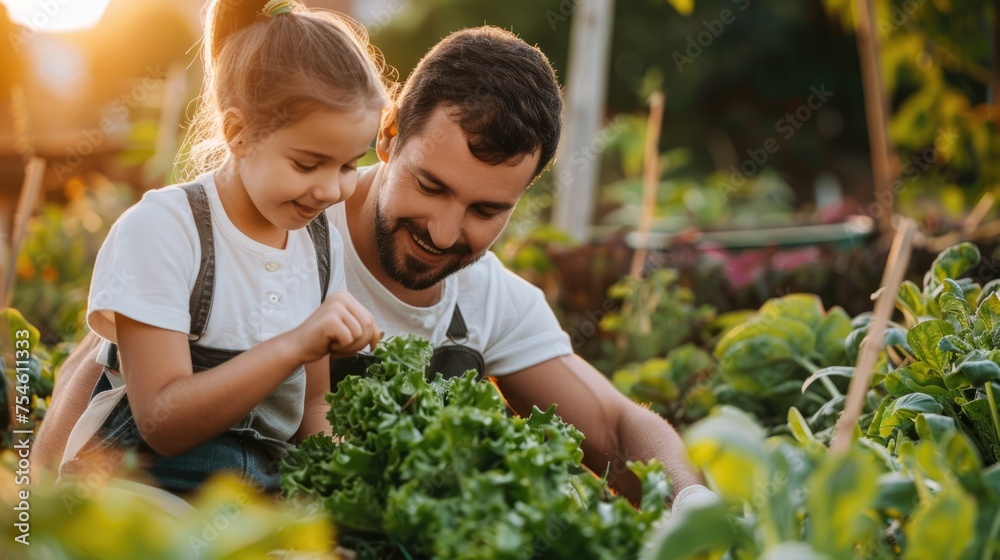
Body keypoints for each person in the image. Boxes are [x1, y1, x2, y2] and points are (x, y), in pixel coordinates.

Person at [42, 25, 714, 509]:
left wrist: (689, 504)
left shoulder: (487, 302)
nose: (445, 231)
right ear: (388, 136)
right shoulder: (285, 218)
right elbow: (105, 373)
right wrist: (29, 518)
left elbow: (621, 428)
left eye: (486, 209)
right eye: (431, 186)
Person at [55, 0, 386, 494]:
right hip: (137, 491)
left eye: (345, 165)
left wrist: (347, 480)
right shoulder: (164, 230)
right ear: (236, 133)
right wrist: (295, 344)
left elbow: (313, 408)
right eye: (307, 163)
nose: (332, 191)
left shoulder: (320, 247)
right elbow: (162, 424)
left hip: (256, 498)